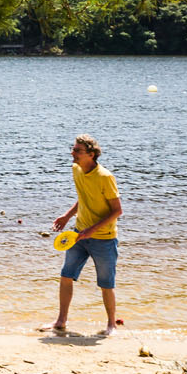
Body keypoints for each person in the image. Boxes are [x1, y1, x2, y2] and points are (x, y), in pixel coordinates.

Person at [47, 133, 125, 337]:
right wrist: (66, 216)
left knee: (106, 284)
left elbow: (117, 211)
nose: (72, 153)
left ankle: (111, 326)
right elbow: (84, 198)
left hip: (104, 239)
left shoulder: (105, 177)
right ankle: (61, 321)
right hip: (78, 235)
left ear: (91, 154)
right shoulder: (77, 169)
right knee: (66, 275)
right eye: (72, 149)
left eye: (77, 151)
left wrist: (91, 230)